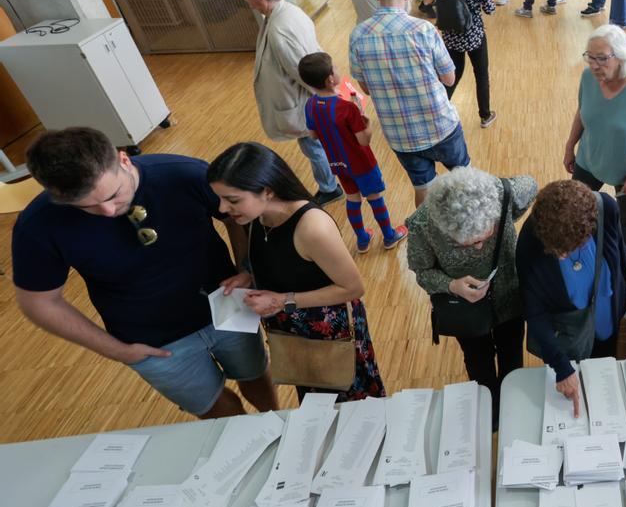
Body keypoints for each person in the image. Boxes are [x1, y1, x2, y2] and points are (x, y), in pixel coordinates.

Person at [12, 128, 277, 419]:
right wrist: (117, 351)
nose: (109, 210)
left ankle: (277, 421)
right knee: (217, 411)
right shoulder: (37, 227)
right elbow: (40, 302)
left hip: (227, 304)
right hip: (150, 340)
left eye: (114, 194)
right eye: (87, 206)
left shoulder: (184, 174)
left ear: (124, 160)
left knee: (255, 375)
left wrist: (246, 268)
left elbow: (236, 217)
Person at [209, 143, 384, 402]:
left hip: (331, 335)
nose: (222, 209)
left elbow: (353, 288)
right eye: (220, 199)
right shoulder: (256, 218)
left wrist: (282, 300)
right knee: (316, 401)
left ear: (267, 191)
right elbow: (282, 259)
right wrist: (249, 274)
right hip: (293, 331)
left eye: (233, 200)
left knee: (348, 402)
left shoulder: (312, 228)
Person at [406, 167, 537, 420]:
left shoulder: (503, 194)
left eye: (486, 238)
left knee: (512, 352)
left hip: (509, 296)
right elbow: (421, 271)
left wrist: (508, 210)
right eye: (465, 244)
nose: (479, 247)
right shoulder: (423, 224)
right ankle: (489, 410)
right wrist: (451, 285)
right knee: (478, 360)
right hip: (465, 311)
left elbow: (531, 184)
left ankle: (511, 407)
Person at [349, 0, 467, 206]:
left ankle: (428, 236)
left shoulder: (358, 35)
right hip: (441, 126)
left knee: (423, 186)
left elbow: (366, 87)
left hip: (401, 135)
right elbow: (449, 79)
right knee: (464, 180)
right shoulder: (424, 30)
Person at [517, 180, 626, 415]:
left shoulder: (606, 208)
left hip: (608, 315)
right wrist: (562, 368)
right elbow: (534, 310)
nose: (559, 257)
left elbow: (619, 250)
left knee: (604, 364)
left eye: (566, 250)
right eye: (553, 250)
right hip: (570, 331)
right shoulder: (531, 239)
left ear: (588, 228)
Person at [235, 0, 341, 205]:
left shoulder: (280, 29)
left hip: (303, 106)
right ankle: (331, 183)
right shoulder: (287, 11)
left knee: (314, 147)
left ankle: (330, 187)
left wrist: (328, 105)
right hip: (302, 104)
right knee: (315, 146)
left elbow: (305, 73)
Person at [563, 26, 626, 252]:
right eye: (590, 57)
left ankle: (623, 251)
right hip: (590, 157)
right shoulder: (588, 76)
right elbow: (582, 111)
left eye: (601, 58)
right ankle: (582, 244)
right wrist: (570, 145)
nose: (594, 65)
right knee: (577, 205)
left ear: (620, 56)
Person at [297, 51, 407, 255]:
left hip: (338, 164)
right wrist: (367, 122)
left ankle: (362, 239)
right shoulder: (347, 107)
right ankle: (389, 235)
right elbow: (363, 140)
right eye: (335, 68)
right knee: (375, 198)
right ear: (331, 79)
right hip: (362, 163)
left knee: (353, 199)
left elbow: (313, 135)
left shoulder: (310, 104)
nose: (339, 70)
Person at [433, 0, 498, 128]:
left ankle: (439, 111)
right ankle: (485, 115)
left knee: (452, 75)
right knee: (481, 74)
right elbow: (489, 8)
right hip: (474, 34)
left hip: (450, 34)